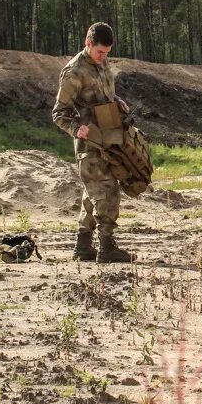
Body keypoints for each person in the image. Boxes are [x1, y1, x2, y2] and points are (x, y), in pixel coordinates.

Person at [52, 22, 134, 263]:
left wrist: (117, 101)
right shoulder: (74, 72)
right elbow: (59, 113)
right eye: (100, 52)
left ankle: (83, 245)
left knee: (93, 193)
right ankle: (107, 247)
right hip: (90, 144)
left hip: (109, 138)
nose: (103, 57)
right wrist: (77, 128)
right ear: (88, 44)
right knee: (108, 191)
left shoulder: (102, 63)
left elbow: (102, 94)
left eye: (107, 53)